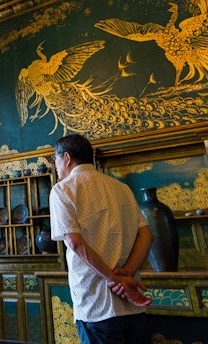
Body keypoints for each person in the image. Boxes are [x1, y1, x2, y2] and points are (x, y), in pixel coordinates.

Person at [49, 133, 154, 344]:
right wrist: (127, 276)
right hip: (131, 303)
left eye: (55, 159)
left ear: (67, 157)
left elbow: (75, 243)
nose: (56, 165)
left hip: (95, 304)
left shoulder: (63, 190)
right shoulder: (121, 188)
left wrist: (116, 280)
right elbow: (146, 235)